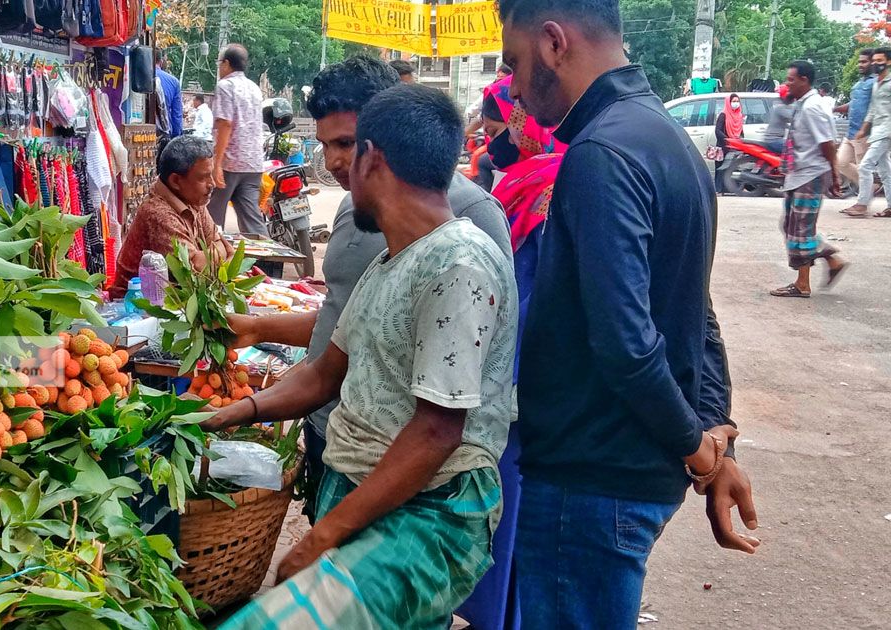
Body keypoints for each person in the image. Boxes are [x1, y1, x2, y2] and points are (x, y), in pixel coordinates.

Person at [211, 83, 517, 630]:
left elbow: (436, 431)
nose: (335, 168)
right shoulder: (390, 263)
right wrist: (234, 413)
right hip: (362, 491)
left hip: (430, 514)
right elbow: (327, 373)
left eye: (348, 152)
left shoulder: (458, 264)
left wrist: (325, 536)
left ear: (371, 158)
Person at [499, 1, 759, 627]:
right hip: (624, 474)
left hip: (591, 479)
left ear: (553, 42)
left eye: (514, 61)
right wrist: (712, 429)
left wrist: (702, 451)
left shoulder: (601, 153)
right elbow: (697, 309)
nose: (512, 89)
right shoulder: (666, 138)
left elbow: (626, 341)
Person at [455, 73, 566, 630]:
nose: (492, 129)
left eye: (503, 116)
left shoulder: (550, 190)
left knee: (511, 497)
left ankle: (506, 615)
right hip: (499, 366)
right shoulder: (518, 181)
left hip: (523, 376)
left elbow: (538, 292)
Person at [109, 136, 230, 298]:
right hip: (134, 310)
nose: (212, 184)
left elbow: (216, 247)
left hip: (174, 302)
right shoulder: (158, 214)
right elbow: (197, 270)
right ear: (175, 181)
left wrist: (214, 254)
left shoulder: (193, 199)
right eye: (203, 177)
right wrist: (221, 253)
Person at [770, 60, 848, 298]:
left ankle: (804, 282)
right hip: (799, 172)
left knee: (801, 229)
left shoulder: (814, 106)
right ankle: (831, 258)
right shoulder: (802, 103)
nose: (787, 84)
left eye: (791, 79)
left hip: (811, 173)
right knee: (791, 226)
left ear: (804, 80)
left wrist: (834, 175)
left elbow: (827, 143)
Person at [207, 44, 267, 235]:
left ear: (226, 63)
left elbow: (225, 124)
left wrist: (216, 164)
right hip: (254, 164)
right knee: (252, 219)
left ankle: (213, 262)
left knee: (212, 218)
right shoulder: (254, 88)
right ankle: (269, 262)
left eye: (219, 63)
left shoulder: (225, 86)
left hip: (230, 164)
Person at [844, 48, 891, 218]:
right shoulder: (877, 83)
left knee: (865, 166)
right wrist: (863, 129)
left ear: (888, 62)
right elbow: (872, 109)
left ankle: (862, 204)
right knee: (886, 170)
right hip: (877, 130)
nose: (876, 63)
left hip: (886, 131)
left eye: (880, 60)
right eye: (875, 60)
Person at [835, 49, 874, 190]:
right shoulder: (858, 85)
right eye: (859, 62)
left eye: (864, 62)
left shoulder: (875, 84)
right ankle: (870, 187)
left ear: (872, 62)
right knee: (840, 162)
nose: (860, 65)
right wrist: (834, 109)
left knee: (863, 168)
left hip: (864, 134)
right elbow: (852, 105)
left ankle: (863, 200)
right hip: (850, 132)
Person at [714, 93, 745, 193]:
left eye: (737, 101)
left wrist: (740, 141)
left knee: (731, 169)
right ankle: (718, 190)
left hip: (734, 146)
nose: (735, 103)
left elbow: (740, 132)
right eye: (733, 101)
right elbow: (718, 131)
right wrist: (727, 139)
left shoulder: (739, 116)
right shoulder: (723, 115)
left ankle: (729, 190)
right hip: (723, 147)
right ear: (728, 103)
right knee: (721, 168)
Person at [155, 50, 184, 138]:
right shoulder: (173, 82)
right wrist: (176, 137)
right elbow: (177, 114)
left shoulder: (133, 76)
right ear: (161, 61)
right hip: (163, 135)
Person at [761, 84, 794, 154]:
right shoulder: (780, 107)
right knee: (794, 152)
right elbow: (793, 117)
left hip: (776, 139)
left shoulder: (782, 106)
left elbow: (789, 122)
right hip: (774, 140)